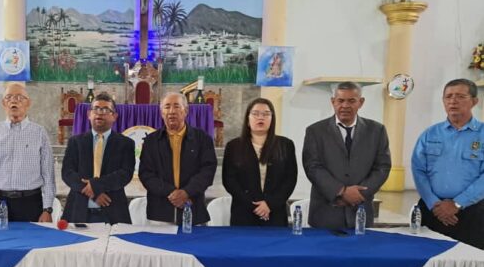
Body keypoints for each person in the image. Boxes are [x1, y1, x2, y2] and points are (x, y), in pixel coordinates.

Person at [302, 81, 391, 229]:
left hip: (361, 211)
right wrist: (341, 191)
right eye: (340, 100)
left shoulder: (377, 131)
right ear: (333, 102)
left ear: (361, 102)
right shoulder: (315, 131)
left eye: (351, 101)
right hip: (326, 213)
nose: (345, 106)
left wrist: (359, 194)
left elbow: (382, 167)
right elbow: (312, 167)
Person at [411, 78, 483, 248]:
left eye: (460, 96)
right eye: (448, 96)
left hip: (472, 213)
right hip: (432, 211)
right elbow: (418, 170)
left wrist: (458, 203)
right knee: (427, 263)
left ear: (474, 101)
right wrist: (434, 203)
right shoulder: (430, 134)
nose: (453, 101)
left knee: (472, 263)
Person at [0, 83, 55, 223]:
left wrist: (47, 209)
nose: (14, 101)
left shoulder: (39, 133)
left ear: (28, 103)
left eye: (20, 97)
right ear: (3, 103)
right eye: (9, 97)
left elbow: (48, 174)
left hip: (30, 203)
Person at [139, 92, 217, 225]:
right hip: (159, 213)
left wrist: (186, 192)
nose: (171, 111)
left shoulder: (202, 138)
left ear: (185, 111)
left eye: (176, 106)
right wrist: (171, 192)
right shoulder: (151, 141)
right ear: (161, 112)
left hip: (193, 208)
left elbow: (208, 171)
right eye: (167, 107)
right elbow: (146, 174)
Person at [62, 93, 135, 224]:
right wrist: (94, 193)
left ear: (114, 116)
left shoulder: (125, 143)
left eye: (106, 110)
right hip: (78, 211)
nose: (100, 113)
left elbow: (125, 174)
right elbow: (67, 173)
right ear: (89, 114)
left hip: (113, 211)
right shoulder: (76, 142)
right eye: (96, 109)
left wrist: (95, 186)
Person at [222, 98, 297, 226]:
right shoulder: (234, 146)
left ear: (272, 119)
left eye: (266, 114)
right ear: (247, 118)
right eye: (255, 114)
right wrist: (254, 205)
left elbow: (290, 179)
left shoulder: (285, 145)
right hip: (244, 212)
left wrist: (269, 204)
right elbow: (229, 180)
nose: (260, 118)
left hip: (275, 213)